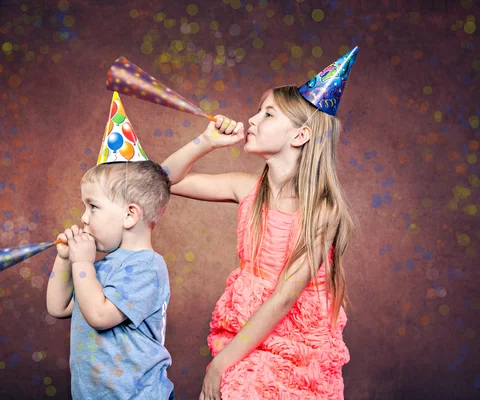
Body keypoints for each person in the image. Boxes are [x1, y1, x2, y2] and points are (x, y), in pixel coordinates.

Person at [162, 48, 359, 400]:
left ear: (299, 136)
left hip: (298, 344)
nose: (252, 120)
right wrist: (206, 142)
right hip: (246, 331)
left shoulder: (322, 211)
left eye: (267, 114)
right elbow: (164, 180)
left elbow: (285, 297)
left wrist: (221, 363)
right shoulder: (246, 188)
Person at [46, 92, 175, 399]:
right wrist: (65, 260)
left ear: (130, 214)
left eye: (93, 207)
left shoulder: (147, 266)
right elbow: (58, 306)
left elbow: (100, 316)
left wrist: (81, 264)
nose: (83, 217)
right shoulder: (99, 266)